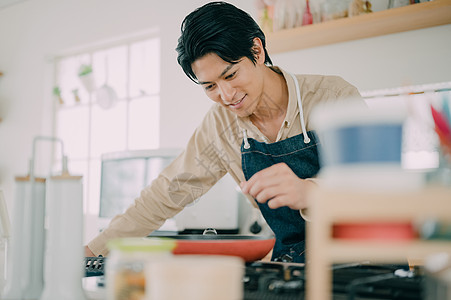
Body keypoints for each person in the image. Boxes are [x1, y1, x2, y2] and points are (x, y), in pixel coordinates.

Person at [85, 1, 362, 263]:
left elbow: (374, 189)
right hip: (293, 267)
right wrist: (92, 252)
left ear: (257, 51)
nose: (226, 95)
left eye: (230, 75)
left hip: (363, 261)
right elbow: (165, 195)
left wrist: (309, 192)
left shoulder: (333, 98)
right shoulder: (221, 126)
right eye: (210, 87)